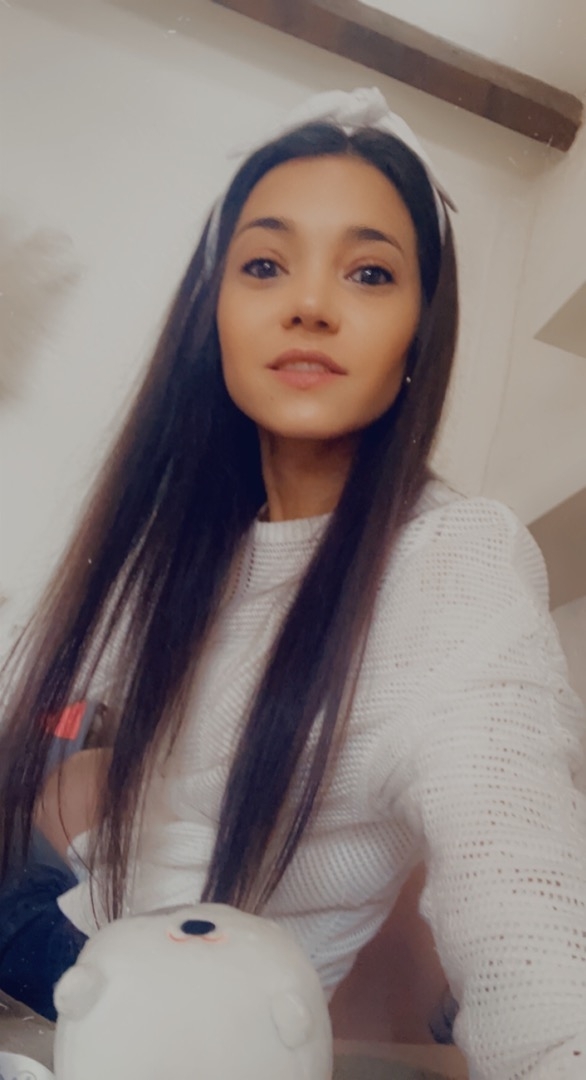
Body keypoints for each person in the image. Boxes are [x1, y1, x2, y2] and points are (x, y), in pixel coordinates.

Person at [1, 86, 585, 1077]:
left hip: (193, 1029)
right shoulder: (197, 541)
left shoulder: (455, 561)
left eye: (369, 272)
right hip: (93, 941)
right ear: (216, 315)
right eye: (266, 265)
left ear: (419, 334)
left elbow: (531, 933)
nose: (309, 304)